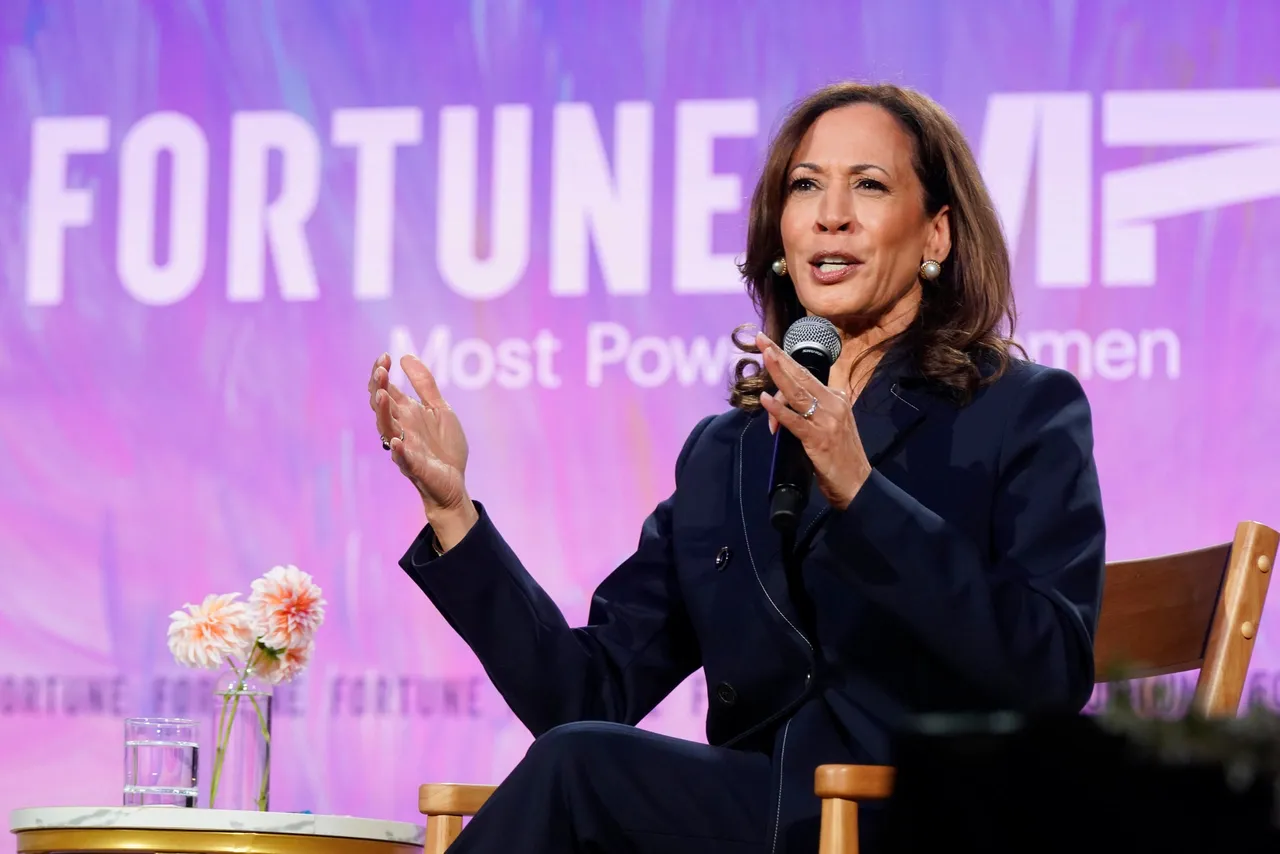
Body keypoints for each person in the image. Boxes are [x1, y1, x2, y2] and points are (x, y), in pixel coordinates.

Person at [366, 81, 1105, 854]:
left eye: (871, 185)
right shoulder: (727, 453)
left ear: (936, 237)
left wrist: (861, 491)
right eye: (806, 185)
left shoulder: (1018, 410)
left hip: (915, 817)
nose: (832, 213)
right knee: (576, 755)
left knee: (579, 771)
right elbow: (583, 694)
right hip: (756, 815)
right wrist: (454, 512)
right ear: (781, 238)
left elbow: (1048, 669)